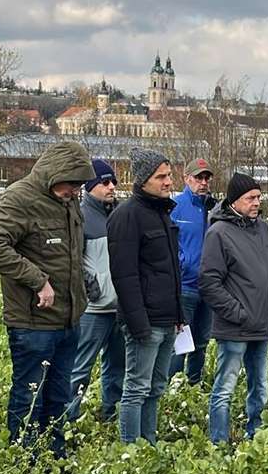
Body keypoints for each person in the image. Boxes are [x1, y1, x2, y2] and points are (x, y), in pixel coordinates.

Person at [0, 141, 94, 458]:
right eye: (71, 183)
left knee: (58, 395)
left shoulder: (68, 202)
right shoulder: (21, 198)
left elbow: (69, 254)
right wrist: (38, 280)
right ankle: (25, 460)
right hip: (34, 322)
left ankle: (54, 457)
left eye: (79, 185)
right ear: (55, 174)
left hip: (68, 318)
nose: (75, 190)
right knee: (30, 395)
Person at [108, 149, 184, 445]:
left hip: (167, 319)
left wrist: (179, 316)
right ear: (143, 180)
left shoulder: (163, 213)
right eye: (160, 176)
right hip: (145, 322)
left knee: (156, 387)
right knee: (137, 388)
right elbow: (125, 277)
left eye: (169, 175)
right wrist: (139, 325)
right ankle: (130, 451)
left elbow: (170, 271)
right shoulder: (126, 216)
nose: (168, 182)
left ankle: (148, 443)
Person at [200, 172, 268, 442]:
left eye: (259, 197)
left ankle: (255, 435)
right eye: (251, 198)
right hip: (236, 328)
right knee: (225, 387)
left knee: (260, 387)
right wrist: (238, 314)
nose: (257, 202)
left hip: (262, 324)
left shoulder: (264, 229)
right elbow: (210, 283)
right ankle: (219, 441)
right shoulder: (219, 233)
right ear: (235, 201)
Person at [67, 158, 124, 423]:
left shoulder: (120, 215)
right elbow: (72, 261)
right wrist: (93, 287)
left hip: (121, 308)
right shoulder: (79, 217)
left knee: (117, 367)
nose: (111, 186)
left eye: (113, 181)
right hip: (95, 309)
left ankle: (111, 414)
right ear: (90, 186)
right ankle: (67, 419)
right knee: (81, 368)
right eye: (104, 182)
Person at [170, 157, 215, 381]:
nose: (204, 182)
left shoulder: (214, 209)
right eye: (199, 177)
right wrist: (181, 265)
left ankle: (194, 385)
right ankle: (174, 389)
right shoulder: (176, 207)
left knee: (201, 342)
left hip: (208, 288)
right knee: (180, 344)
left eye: (207, 177)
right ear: (187, 179)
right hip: (184, 287)